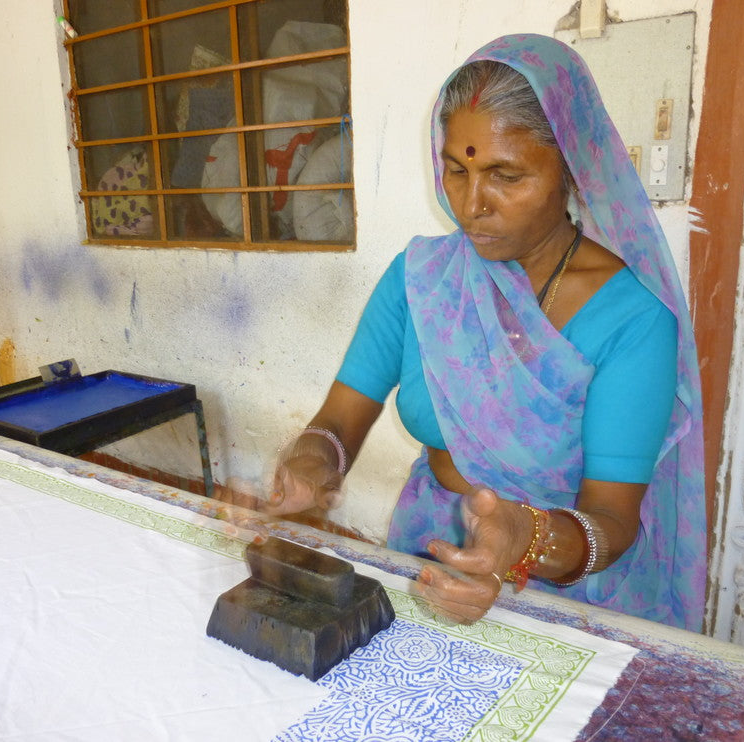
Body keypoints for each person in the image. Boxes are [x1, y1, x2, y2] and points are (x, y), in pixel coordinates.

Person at [264, 33, 706, 632]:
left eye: (506, 175)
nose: (473, 204)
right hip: (429, 557)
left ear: (573, 171)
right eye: (456, 169)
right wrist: (312, 465)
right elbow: (340, 419)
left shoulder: (632, 319)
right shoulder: (423, 279)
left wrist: (524, 539)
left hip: (566, 590)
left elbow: (613, 519)